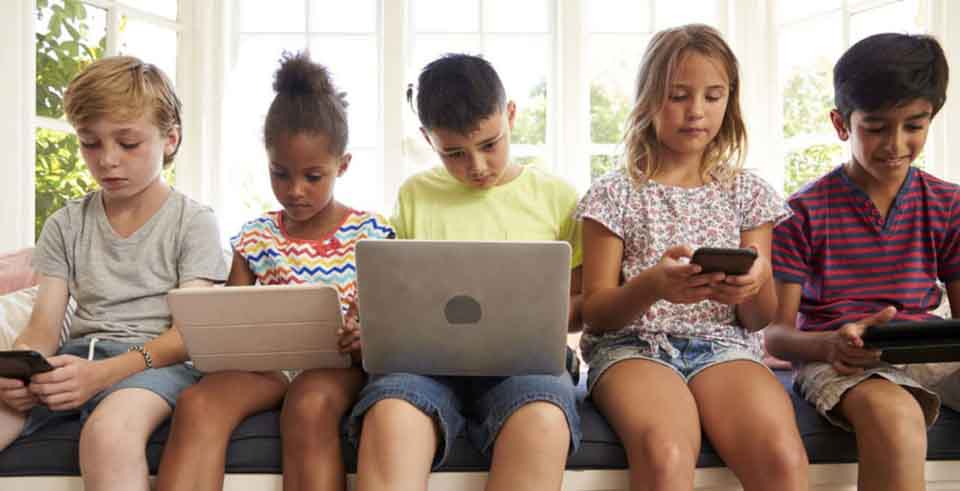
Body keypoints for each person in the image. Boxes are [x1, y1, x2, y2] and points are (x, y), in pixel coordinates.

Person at [577, 24, 808, 490]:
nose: (696, 112)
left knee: (782, 457)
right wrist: (652, 286)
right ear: (647, 100)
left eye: (713, 96)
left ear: (730, 100)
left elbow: (759, 320)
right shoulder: (613, 194)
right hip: (632, 348)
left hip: (725, 347)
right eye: (678, 95)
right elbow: (596, 313)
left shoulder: (748, 194)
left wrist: (754, 283)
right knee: (666, 455)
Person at [155, 52, 394, 491]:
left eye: (313, 176)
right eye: (280, 174)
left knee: (309, 402)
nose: (295, 190)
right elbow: (233, 326)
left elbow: (386, 328)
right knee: (197, 403)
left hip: (339, 367)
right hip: (266, 370)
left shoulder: (372, 233)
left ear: (342, 166)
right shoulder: (255, 237)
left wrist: (363, 336)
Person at [349, 53, 583, 491]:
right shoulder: (415, 195)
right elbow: (395, 292)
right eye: (454, 153)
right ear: (427, 139)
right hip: (424, 365)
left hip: (527, 365)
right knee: (391, 413)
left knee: (543, 417)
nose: (476, 166)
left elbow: (583, 305)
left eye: (490, 144)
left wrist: (532, 324)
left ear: (510, 114)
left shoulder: (556, 196)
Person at [0, 56, 228, 491]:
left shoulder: (194, 222)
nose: (107, 160)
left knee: (107, 436)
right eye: (90, 143)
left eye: (128, 143)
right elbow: (43, 326)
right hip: (76, 358)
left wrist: (103, 375)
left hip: (156, 366)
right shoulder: (65, 224)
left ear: (170, 139)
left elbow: (187, 336)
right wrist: (19, 373)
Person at [767, 32, 957, 490]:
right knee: (896, 417)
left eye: (915, 125)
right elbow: (776, 336)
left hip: (926, 350)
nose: (896, 143)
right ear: (840, 123)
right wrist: (832, 344)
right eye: (876, 127)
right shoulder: (801, 212)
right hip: (838, 358)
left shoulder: (949, 205)